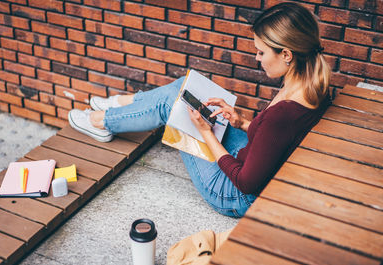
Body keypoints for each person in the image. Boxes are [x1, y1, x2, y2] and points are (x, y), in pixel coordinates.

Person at [68, 2, 331, 218]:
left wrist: (205, 133)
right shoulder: (309, 86)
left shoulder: (284, 111)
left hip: (232, 193)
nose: (257, 58)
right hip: (251, 161)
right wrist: (240, 122)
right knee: (184, 88)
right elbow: (275, 140)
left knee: (174, 107)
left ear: (286, 54)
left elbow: (245, 182)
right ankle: (124, 105)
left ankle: (104, 120)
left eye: (261, 52)